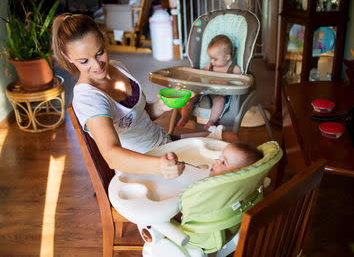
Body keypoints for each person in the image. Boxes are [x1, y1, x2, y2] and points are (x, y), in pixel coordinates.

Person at [52, 13, 185, 178]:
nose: (97, 65)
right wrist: (161, 166)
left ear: (103, 40)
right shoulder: (88, 98)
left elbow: (138, 117)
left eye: (100, 53)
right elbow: (112, 156)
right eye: (84, 61)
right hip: (140, 171)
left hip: (164, 146)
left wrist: (162, 106)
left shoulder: (118, 67)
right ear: (67, 57)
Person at [177, 34, 241, 130]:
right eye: (210, 58)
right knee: (190, 96)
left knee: (220, 101)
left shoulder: (234, 69)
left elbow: (241, 80)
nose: (212, 61)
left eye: (215, 59)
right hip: (205, 89)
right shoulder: (211, 65)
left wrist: (237, 80)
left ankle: (211, 121)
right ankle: (184, 117)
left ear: (227, 57)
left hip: (220, 93)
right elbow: (201, 73)